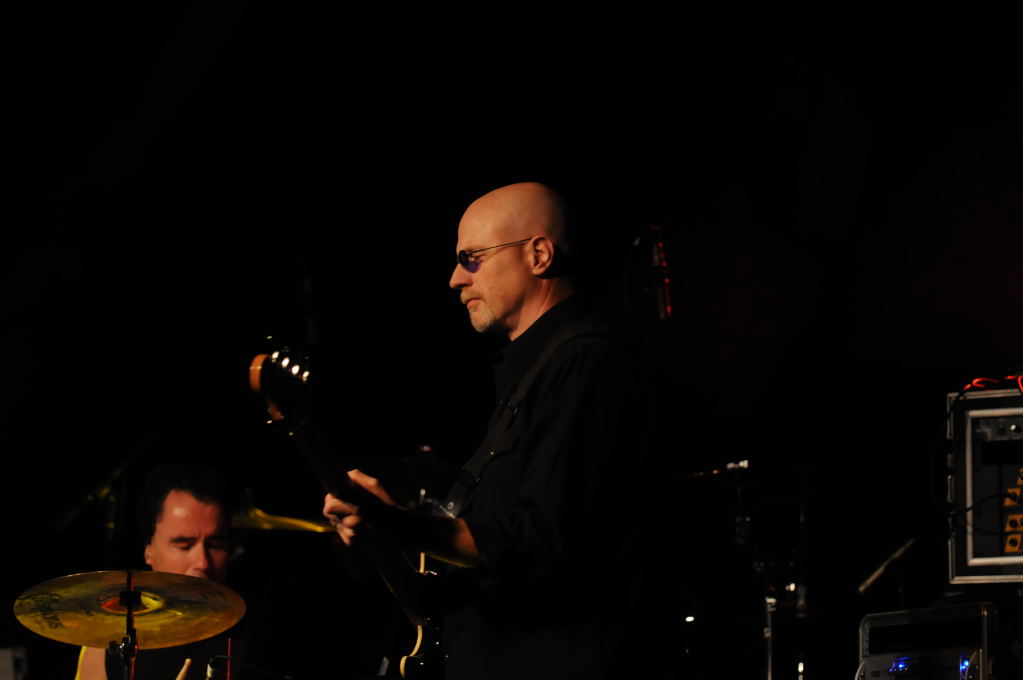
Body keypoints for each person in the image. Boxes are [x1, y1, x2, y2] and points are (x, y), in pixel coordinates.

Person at [324, 181, 668, 679]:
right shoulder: (534, 376)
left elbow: (539, 542)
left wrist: (396, 524)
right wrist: (386, 530)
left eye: (471, 258)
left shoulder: (586, 365)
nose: (454, 279)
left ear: (539, 255)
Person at [75, 462, 239, 680]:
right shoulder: (109, 642)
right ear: (149, 551)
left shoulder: (262, 634)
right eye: (184, 545)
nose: (203, 562)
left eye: (215, 545)